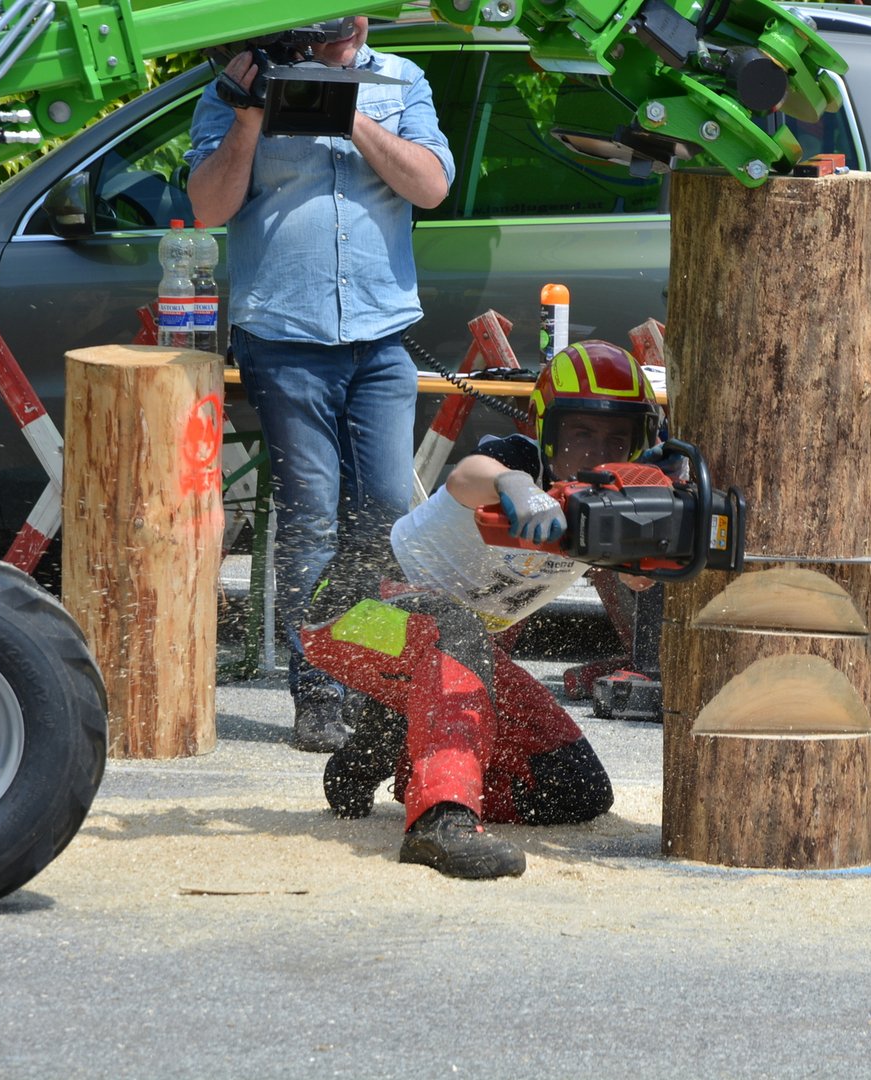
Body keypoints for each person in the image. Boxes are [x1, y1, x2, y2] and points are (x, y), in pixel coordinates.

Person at [185, 17, 454, 751]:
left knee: (387, 517)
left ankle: (373, 683)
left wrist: (348, 113)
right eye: (324, 19)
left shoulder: (401, 80)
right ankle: (320, 695)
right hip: (285, 336)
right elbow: (208, 206)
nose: (342, 29)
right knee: (310, 518)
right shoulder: (242, 79)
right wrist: (250, 116)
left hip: (381, 335)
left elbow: (431, 186)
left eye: (352, 14)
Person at [299, 341, 662, 879]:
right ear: (547, 432)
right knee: (457, 630)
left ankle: (384, 752)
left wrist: (645, 562)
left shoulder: (611, 508)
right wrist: (513, 484)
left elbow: (639, 575)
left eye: (616, 438)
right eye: (581, 434)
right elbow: (467, 474)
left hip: (441, 648)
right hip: (348, 611)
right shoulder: (513, 462)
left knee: (574, 788)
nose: (596, 452)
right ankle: (440, 818)